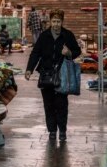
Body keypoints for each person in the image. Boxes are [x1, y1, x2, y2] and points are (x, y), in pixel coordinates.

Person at [25, 9, 81, 142]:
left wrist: (69, 53)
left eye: (58, 21)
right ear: (50, 21)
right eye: (54, 21)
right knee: (48, 104)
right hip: (46, 75)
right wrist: (29, 69)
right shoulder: (44, 36)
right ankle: (52, 131)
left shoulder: (68, 35)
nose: (56, 24)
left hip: (62, 76)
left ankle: (62, 131)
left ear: (62, 22)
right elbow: (35, 53)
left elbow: (77, 51)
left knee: (62, 104)